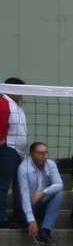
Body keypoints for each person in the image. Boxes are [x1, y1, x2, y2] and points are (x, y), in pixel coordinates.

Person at [18, 141, 63, 246]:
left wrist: (42, 193)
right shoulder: (24, 168)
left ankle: (45, 231)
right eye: (41, 153)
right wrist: (31, 220)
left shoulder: (50, 164)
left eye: (46, 153)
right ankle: (32, 223)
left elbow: (59, 184)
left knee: (59, 194)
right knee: (27, 203)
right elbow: (24, 197)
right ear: (32, 154)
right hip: (28, 206)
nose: (45, 156)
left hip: (41, 202)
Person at [1, 77, 28, 227]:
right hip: (8, 150)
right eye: (22, 90)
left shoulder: (18, 105)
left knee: (20, 185)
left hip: (20, 153)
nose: (23, 94)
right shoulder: (4, 102)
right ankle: (1, 217)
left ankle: (18, 216)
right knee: (3, 185)